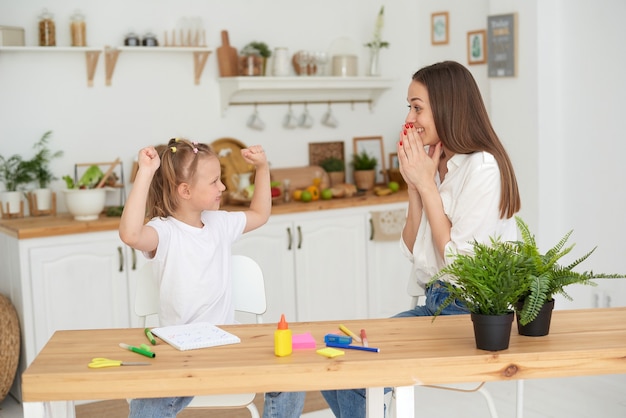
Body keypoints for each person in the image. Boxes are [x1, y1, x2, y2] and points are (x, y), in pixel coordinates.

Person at [321, 60, 521, 417]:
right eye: (409, 108)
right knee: (336, 360)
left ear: (447, 106)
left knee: (360, 369)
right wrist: (414, 185)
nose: (410, 118)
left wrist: (427, 184)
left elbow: (461, 265)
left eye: (418, 107)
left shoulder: (482, 167)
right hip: (435, 306)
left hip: (468, 316)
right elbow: (413, 249)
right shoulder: (437, 163)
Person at [119, 138, 304, 418]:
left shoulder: (220, 223)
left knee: (293, 377)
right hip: (180, 349)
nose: (223, 187)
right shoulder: (164, 232)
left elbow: (260, 213)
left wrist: (262, 168)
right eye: (215, 181)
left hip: (226, 341)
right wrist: (144, 172)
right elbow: (130, 235)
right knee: (145, 407)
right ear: (185, 190)